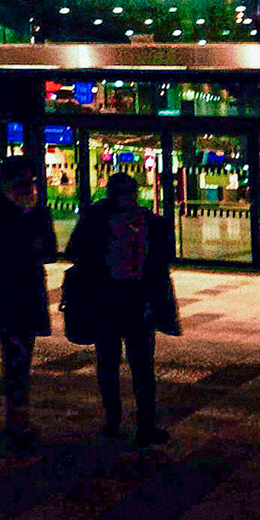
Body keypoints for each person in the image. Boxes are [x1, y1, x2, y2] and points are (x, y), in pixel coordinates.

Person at [64, 170, 178, 446]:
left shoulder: (144, 221)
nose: (126, 198)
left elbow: (161, 259)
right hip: (112, 299)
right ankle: (120, 420)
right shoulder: (100, 219)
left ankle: (136, 423)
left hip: (131, 300)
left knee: (134, 364)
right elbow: (77, 252)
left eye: (129, 193)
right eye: (122, 193)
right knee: (119, 362)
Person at [0, 157, 57, 449]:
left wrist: (30, 236)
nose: (30, 187)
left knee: (23, 355)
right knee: (15, 354)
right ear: (9, 182)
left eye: (31, 181)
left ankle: (19, 415)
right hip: (6, 293)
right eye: (24, 181)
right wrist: (29, 234)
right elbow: (7, 245)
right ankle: (16, 418)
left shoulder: (38, 211)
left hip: (29, 292)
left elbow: (49, 250)